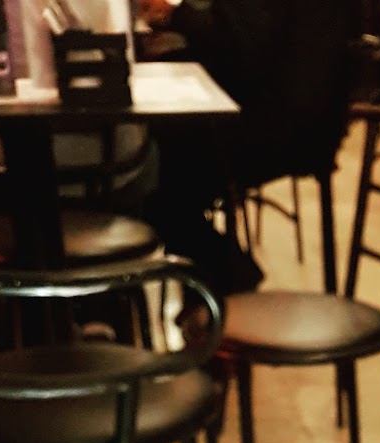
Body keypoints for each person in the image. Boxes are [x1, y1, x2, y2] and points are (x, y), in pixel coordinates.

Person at [138, 0, 359, 298]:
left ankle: (224, 279)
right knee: (154, 155)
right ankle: (213, 287)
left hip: (284, 125)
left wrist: (178, 16)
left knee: (148, 169)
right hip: (295, 114)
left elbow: (238, 46)